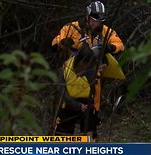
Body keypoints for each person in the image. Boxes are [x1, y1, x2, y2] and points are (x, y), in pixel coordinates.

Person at [52, 0, 124, 141]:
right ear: (87, 15)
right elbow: (55, 42)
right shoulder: (71, 27)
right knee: (63, 129)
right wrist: (63, 42)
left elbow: (120, 44)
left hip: (92, 85)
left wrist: (109, 48)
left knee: (90, 130)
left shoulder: (106, 32)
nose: (95, 24)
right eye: (93, 20)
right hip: (70, 81)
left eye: (99, 21)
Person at [54, 43, 98, 155]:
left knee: (89, 134)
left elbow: (95, 89)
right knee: (63, 135)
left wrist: (88, 105)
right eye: (84, 65)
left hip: (87, 103)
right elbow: (61, 92)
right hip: (69, 103)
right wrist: (76, 106)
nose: (85, 69)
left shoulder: (91, 68)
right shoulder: (65, 68)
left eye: (88, 66)